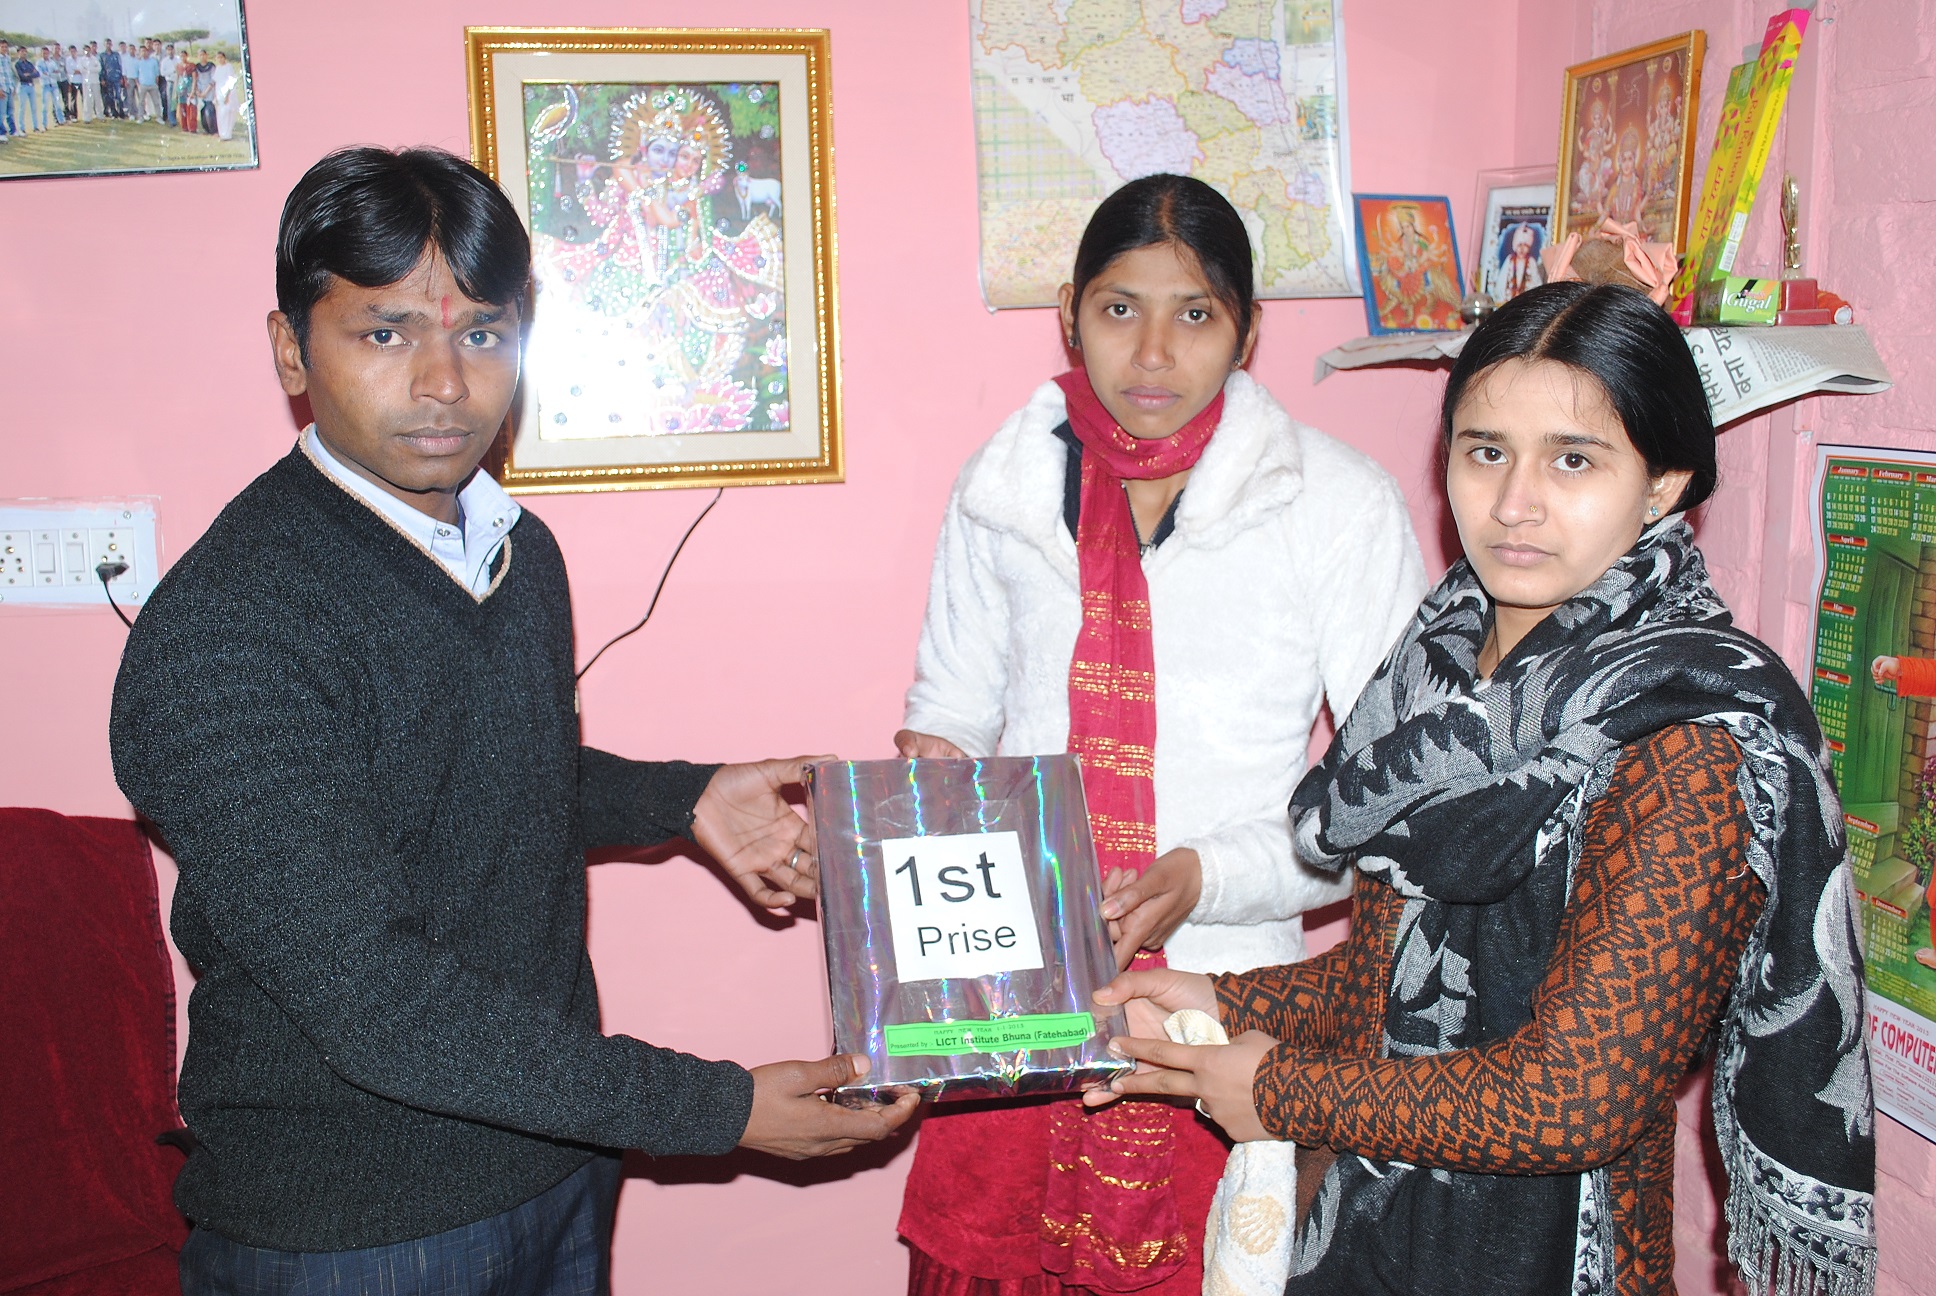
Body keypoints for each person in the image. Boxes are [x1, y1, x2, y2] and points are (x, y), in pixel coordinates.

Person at [109, 146, 918, 1294]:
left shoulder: (513, 550)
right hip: (357, 1230)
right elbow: (379, 1005)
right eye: (385, 332)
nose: (445, 382)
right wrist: (720, 1109)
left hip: (555, 1158)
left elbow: (474, 773)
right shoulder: (230, 630)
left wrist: (680, 797)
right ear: (291, 348)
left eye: (482, 332)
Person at [1092, 282, 1877, 1296]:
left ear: (1663, 482)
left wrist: (1283, 1090)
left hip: (1545, 1257)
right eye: (1486, 451)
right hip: (1371, 1229)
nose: (1515, 503)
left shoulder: (1688, 736)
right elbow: (1404, 980)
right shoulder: (1440, 672)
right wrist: (1223, 997)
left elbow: (1575, 1093)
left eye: (1573, 459)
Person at [893, 174, 1426, 1296]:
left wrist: (1203, 876)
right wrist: (912, 810)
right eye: (1118, 308)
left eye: (1194, 314)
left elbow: (1391, 807)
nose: (1151, 353)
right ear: (1069, 312)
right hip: (1015, 1000)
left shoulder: (1334, 505)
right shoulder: (1002, 489)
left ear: (1248, 329)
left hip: (1227, 1007)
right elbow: (950, 718)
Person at [209, 49, 240, 141]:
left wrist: (227, 96)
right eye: (218, 58)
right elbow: (216, 82)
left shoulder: (228, 67)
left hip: (228, 94)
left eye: (221, 57)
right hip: (219, 93)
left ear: (224, 58)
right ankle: (222, 134)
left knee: (227, 114)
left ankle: (227, 134)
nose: (219, 59)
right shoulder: (218, 68)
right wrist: (215, 96)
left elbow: (231, 81)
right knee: (220, 115)